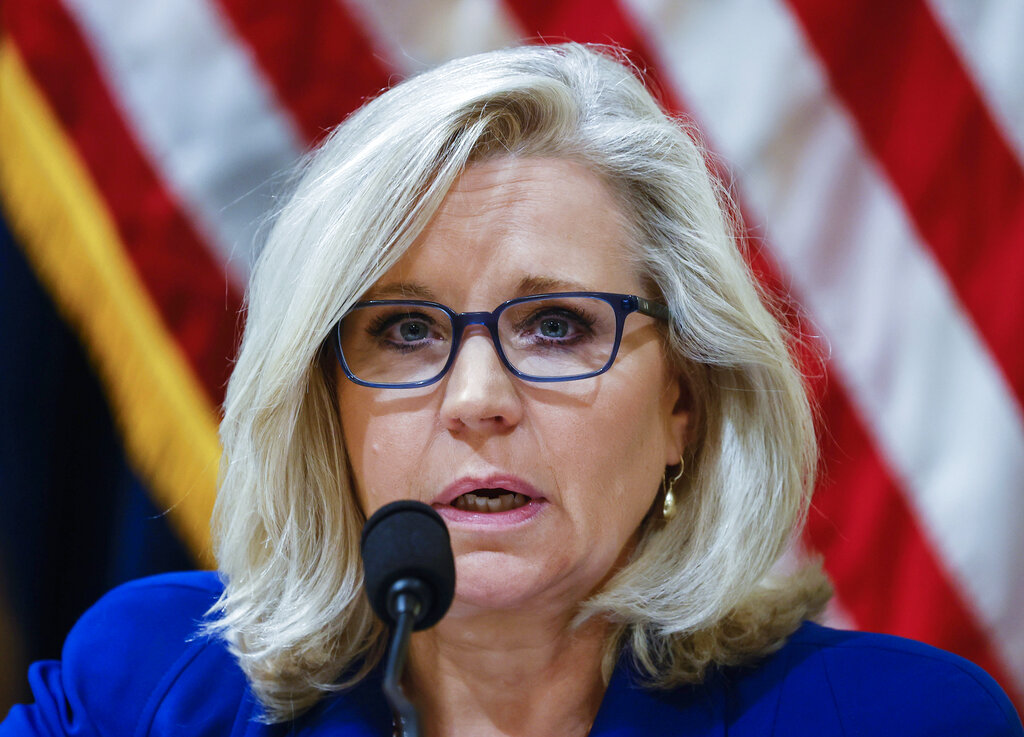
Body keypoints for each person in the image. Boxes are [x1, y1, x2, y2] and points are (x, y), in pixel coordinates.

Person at [2, 43, 1021, 737]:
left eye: (556, 325)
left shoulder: (892, 718)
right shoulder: (150, 687)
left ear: (684, 405)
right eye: (404, 330)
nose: (476, 396)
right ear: (327, 405)